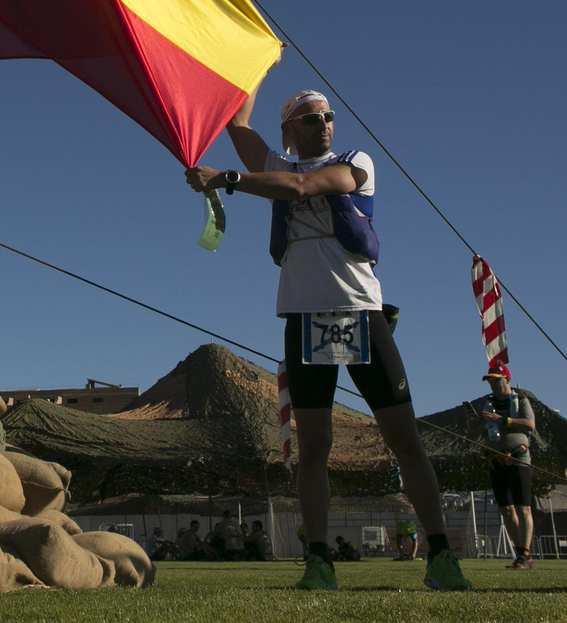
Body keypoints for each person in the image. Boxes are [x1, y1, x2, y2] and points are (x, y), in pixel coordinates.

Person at [186, 87, 471, 592]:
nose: (323, 123)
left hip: (361, 312)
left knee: (403, 437)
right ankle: (318, 561)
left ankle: (441, 554)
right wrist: (259, 66)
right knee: (314, 445)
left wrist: (226, 178)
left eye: (328, 116)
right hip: (303, 317)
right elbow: (237, 124)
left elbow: (303, 187)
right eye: (311, 118)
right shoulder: (276, 165)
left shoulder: (355, 161)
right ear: (289, 129)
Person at [469, 368, 536, 568]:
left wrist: (503, 420)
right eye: (490, 381)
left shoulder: (520, 401)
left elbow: (530, 425)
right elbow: (473, 428)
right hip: (495, 459)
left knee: (523, 507)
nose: (493, 385)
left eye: (496, 380)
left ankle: (525, 553)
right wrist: (471, 419)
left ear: (507, 379)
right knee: (505, 509)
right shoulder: (486, 403)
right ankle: (519, 552)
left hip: (518, 458)